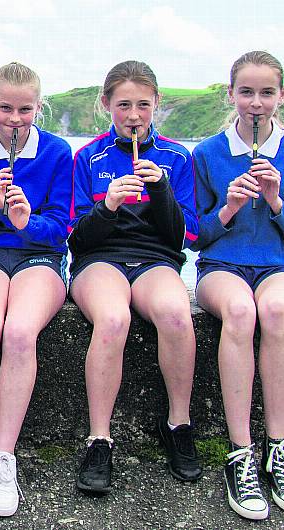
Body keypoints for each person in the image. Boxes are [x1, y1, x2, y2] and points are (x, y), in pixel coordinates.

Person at [69, 60, 202, 495]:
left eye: (143, 105)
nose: (133, 116)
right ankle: (99, 439)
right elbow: (77, 241)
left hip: (155, 260)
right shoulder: (88, 156)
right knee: (112, 319)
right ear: (107, 104)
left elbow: (183, 235)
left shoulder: (178, 157)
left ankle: (178, 424)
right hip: (100, 260)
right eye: (123, 104)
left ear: (156, 105)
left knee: (177, 315)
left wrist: (161, 189)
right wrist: (107, 206)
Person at [0, 62, 72, 516]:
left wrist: (27, 221)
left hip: (39, 258)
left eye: (25, 110)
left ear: (38, 108)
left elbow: (61, 228)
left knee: (20, 331)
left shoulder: (58, 152)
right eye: (5, 108)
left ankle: (4, 454)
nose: (15, 119)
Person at [191, 50, 284, 520]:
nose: (255, 103)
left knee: (276, 311)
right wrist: (226, 208)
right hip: (221, 266)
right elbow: (196, 236)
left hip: (275, 267)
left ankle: (277, 443)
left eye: (266, 93)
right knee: (242, 312)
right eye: (246, 92)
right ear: (231, 95)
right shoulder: (207, 153)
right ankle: (240, 451)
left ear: (280, 97)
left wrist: (275, 200)